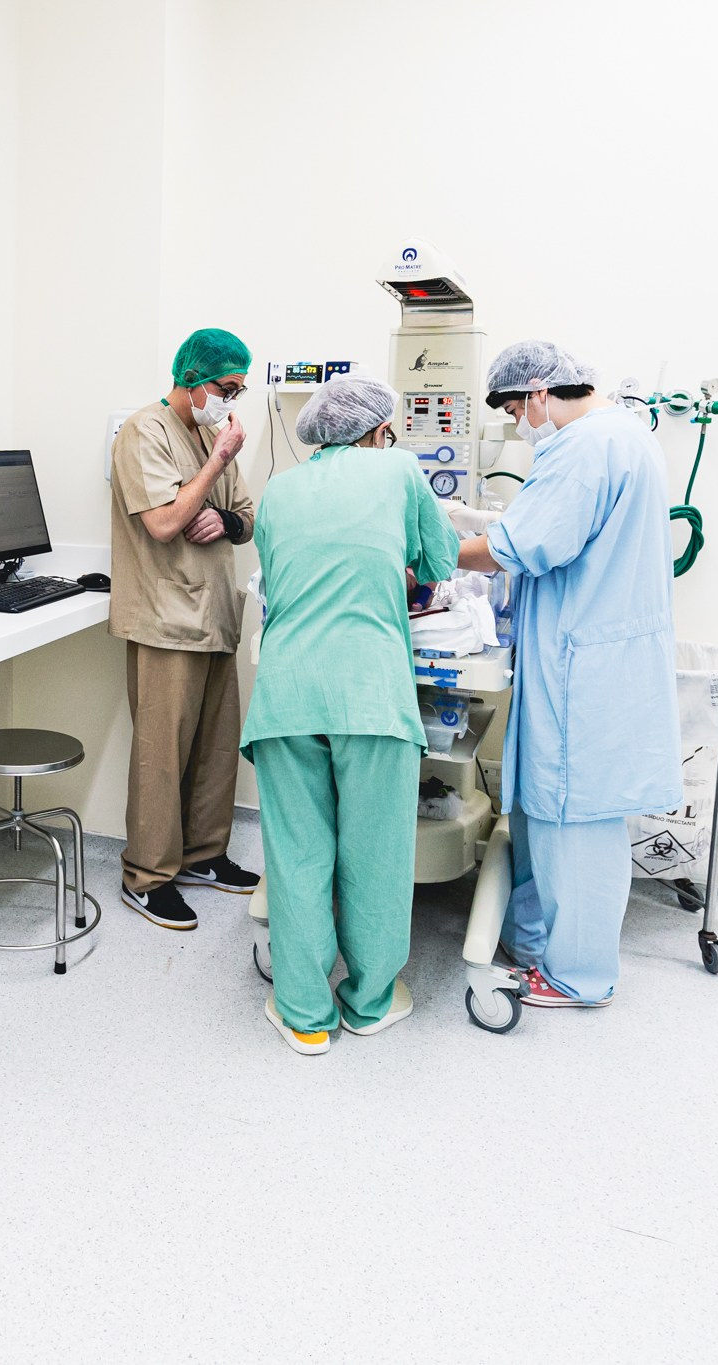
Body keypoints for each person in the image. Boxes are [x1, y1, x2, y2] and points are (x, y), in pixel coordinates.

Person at [452, 340, 681, 1008]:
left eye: (514, 411)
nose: (519, 424)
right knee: (557, 813)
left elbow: (522, 546)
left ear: (538, 393)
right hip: (599, 652)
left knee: (571, 819)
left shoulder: (583, 447)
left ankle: (574, 975)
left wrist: (436, 550)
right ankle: (535, 941)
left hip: (583, 661)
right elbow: (555, 529)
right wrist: (486, 525)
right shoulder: (624, 435)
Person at [240, 377, 458, 1055]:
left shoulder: (279, 490)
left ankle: (305, 1014)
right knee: (375, 854)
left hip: (286, 692)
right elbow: (441, 561)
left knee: (297, 855)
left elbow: (279, 577)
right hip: (370, 692)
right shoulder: (400, 470)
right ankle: (368, 1003)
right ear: (378, 429)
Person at [107, 328, 261, 930]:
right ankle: (147, 876)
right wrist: (218, 461)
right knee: (162, 756)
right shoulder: (144, 431)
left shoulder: (209, 433)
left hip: (215, 612)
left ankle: (203, 855)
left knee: (217, 749)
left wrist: (224, 519)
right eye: (227, 388)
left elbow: (246, 517)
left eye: (239, 391)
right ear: (193, 380)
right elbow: (166, 523)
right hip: (166, 616)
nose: (231, 401)